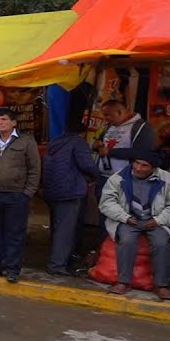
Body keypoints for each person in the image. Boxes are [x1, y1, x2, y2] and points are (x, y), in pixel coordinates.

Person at [99, 151, 170, 299]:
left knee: (161, 243)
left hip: (157, 220)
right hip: (128, 219)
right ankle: (123, 282)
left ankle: (161, 285)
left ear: (153, 168)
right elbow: (107, 203)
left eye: (144, 165)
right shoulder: (119, 178)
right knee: (126, 241)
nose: (138, 168)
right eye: (136, 163)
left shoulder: (168, 180)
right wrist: (124, 217)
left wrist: (159, 220)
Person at [0, 108, 40, 283]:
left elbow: (34, 169)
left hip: (16, 195)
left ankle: (12, 269)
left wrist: (28, 193)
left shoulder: (26, 142)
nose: (0, 123)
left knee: (15, 233)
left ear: (13, 122)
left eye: (3, 119)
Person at [43, 113, 99, 276]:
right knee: (65, 230)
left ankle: (58, 259)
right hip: (70, 190)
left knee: (57, 227)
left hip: (52, 190)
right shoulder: (78, 143)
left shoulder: (55, 143)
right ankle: (57, 265)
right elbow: (88, 165)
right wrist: (94, 177)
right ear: (83, 132)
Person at [95, 99, 156, 192]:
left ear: (119, 112)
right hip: (103, 177)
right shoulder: (109, 126)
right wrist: (97, 145)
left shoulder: (142, 127)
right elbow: (99, 143)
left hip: (125, 179)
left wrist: (110, 152)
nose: (105, 118)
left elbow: (142, 153)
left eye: (107, 115)